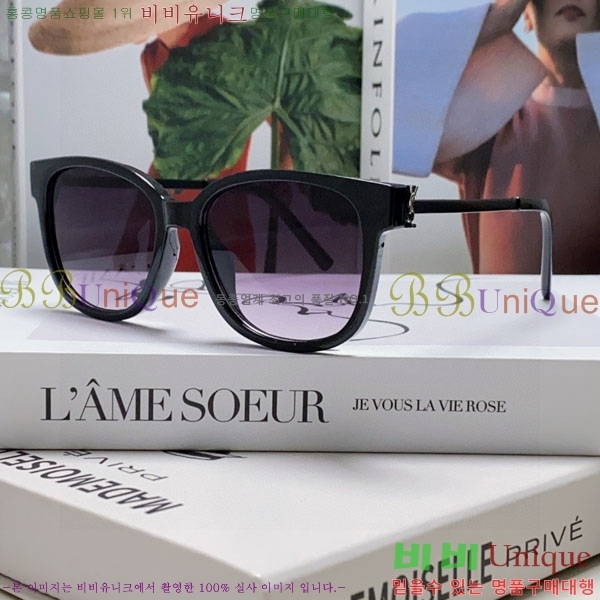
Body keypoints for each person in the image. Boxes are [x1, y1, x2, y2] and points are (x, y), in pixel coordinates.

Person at [393, 0, 600, 274]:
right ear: (526, 13)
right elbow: (380, 96)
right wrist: (496, 19)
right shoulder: (488, 121)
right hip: (505, 304)